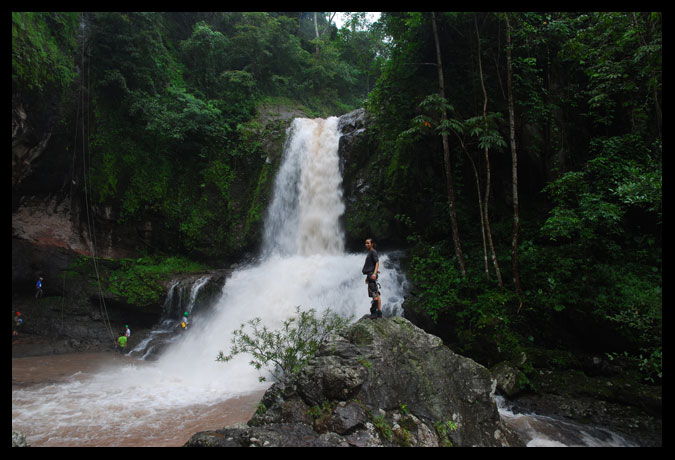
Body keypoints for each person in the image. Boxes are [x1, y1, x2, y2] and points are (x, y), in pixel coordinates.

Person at [362, 238, 382, 318]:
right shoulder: (371, 252)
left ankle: (374, 313)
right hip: (370, 274)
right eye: (365, 243)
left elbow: (377, 262)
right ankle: (379, 312)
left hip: (371, 275)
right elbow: (373, 264)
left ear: (372, 244)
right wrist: (368, 276)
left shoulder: (373, 252)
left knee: (374, 293)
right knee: (376, 293)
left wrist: (374, 273)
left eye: (368, 243)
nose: (366, 245)